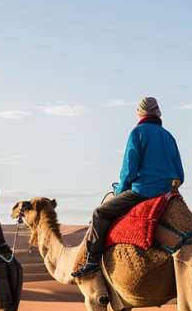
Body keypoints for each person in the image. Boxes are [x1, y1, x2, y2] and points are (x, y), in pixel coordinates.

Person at [71, 96, 184, 278]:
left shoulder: (137, 133)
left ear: (139, 114)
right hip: (167, 193)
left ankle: (92, 261)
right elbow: (180, 174)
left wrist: (120, 190)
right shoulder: (169, 136)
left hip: (143, 192)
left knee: (100, 213)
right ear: (158, 113)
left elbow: (128, 171)